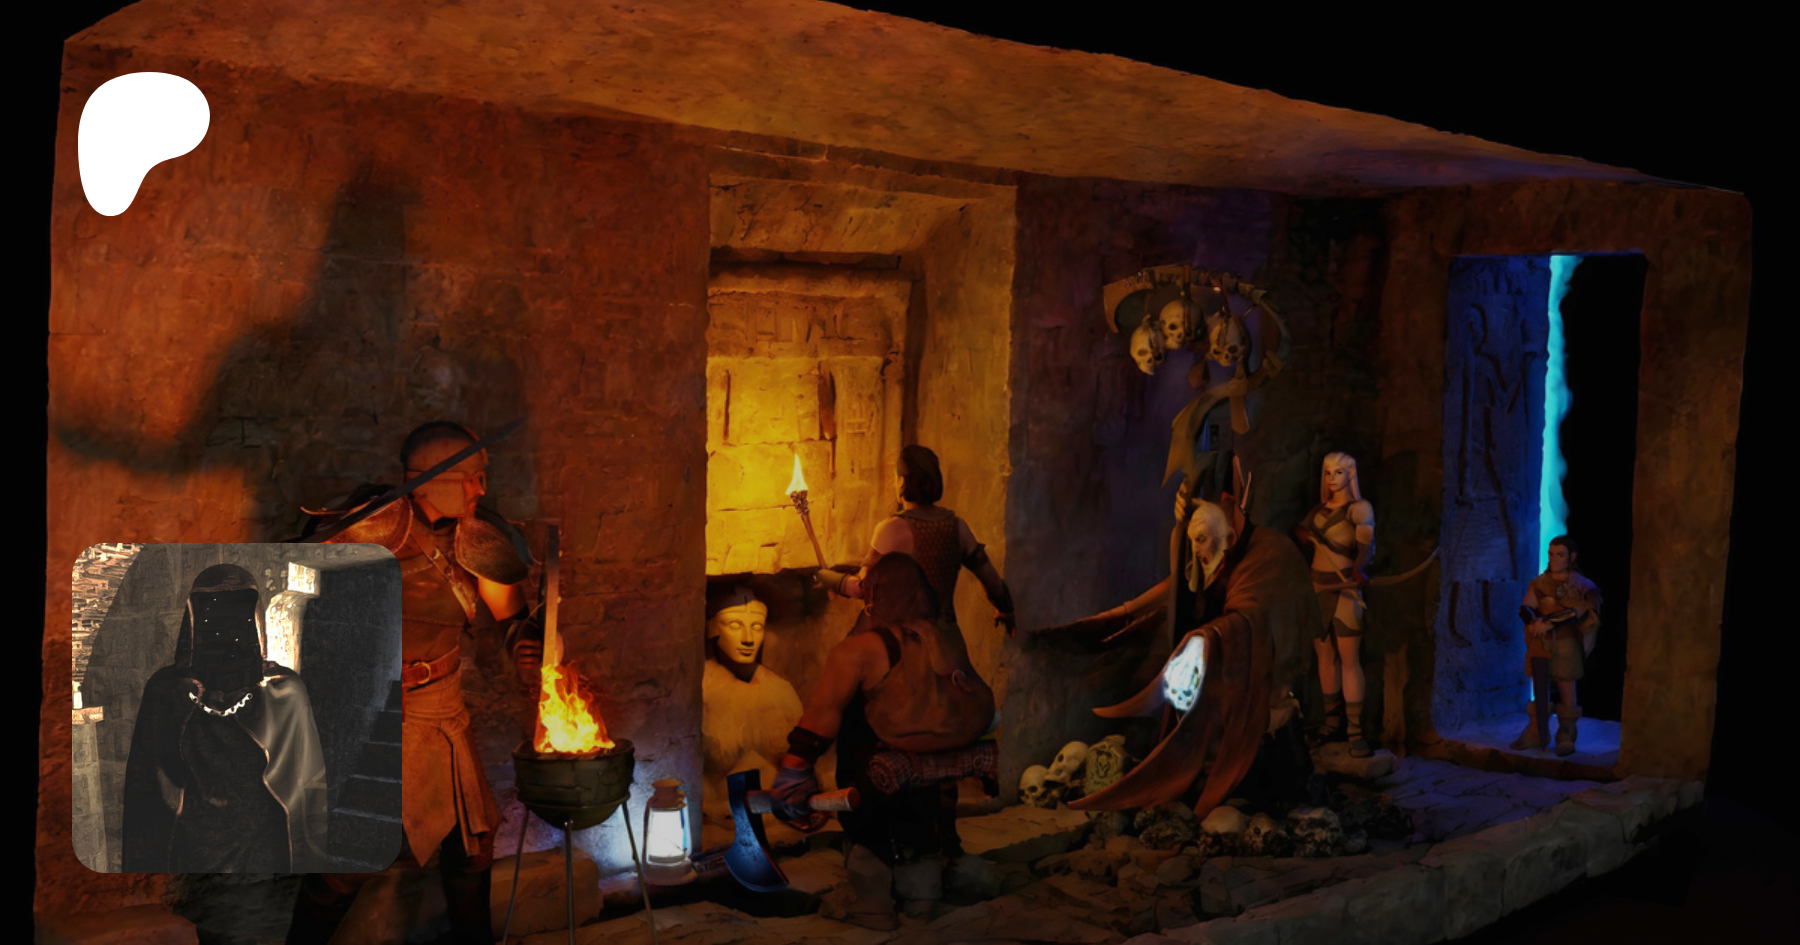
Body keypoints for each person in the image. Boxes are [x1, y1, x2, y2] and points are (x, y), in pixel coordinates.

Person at [288, 421, 538, 945]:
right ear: (436, 479)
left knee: (473, 844)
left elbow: (514, 618)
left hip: (443, 705)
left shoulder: (477, 536)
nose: (481, 489)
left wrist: (527, 645)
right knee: (351, 857)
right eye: (471, 478)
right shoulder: (370, 526)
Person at [773, 553, 995, 929]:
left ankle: (873, 908)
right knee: (920, 826)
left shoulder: (860, 650)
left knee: (867, 830)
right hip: (930, 765)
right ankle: (921, 905)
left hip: (876, 767)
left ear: (874, 594)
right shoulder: (943, 639)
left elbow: (822, 714)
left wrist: (794, 770)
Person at [122, 563, 329, 872]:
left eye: (237, 611)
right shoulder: (166, 691)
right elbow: (147, 786)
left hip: (264, 844)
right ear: (194, 616)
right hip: (191, 848)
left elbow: (304, 786)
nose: (225, 626)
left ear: (255, 618)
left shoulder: (284, 690)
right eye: (211, 611)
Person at [819, 445, 1016, 639]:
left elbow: (861, 588)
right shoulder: (957, 526)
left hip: (909, 644)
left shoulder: (891, 529)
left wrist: (827, 578)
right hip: (947, 640)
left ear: (902, 481)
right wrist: (1004, 608)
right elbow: (991, 580)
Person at [699, 586, 818, 824]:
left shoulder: (781, 691)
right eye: (734, 625)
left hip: (773, 813)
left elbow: (802, 763)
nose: (747, 638)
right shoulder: (700, 687)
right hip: (714, 812)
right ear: (713, 628)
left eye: (756, 626)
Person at [1292, 452, 1377, 757]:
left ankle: (1355, 731)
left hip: (1345, 591)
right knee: (1325, 657)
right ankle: (1331, 723)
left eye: (1338, 472)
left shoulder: (1359, 508)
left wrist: (1359, 567)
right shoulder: (1319, 509)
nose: (1331, 478)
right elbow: (1300, 529)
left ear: (1350, 475)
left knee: (1349, 659)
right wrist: (1303, 532)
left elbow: (1367, 547)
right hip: (1317, 590)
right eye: (1328, 472)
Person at [1512, 536, 1601, 756]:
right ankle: (1536, 731)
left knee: (1565, 683)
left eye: (1560, 555)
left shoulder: (1581, 585)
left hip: (1566, 643)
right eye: (1551, 554)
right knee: (1539, 685)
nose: (1554, 559)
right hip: (1541, 642)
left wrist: (1550, 623)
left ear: (1571, 557)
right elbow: (1526, 607)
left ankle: (1566, 733)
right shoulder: (1539, 583)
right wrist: (1533, 622)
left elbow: (1580, 611)